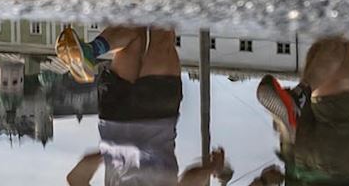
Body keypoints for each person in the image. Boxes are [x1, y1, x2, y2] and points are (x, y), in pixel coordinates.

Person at [57, 26, 231, 186]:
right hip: (114, 120)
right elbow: (75, 178)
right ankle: (91, 51)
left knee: (162, 37)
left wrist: (212, 167)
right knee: (134, 33)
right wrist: (110, 154)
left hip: (155, 115)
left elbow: (188, 181)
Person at [250, 36, 349, 186]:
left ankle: (297, 101)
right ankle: (297, 101)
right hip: (297, 160)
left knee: (336, 44)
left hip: (335, 169)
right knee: (321, 49)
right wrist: (264, 181)